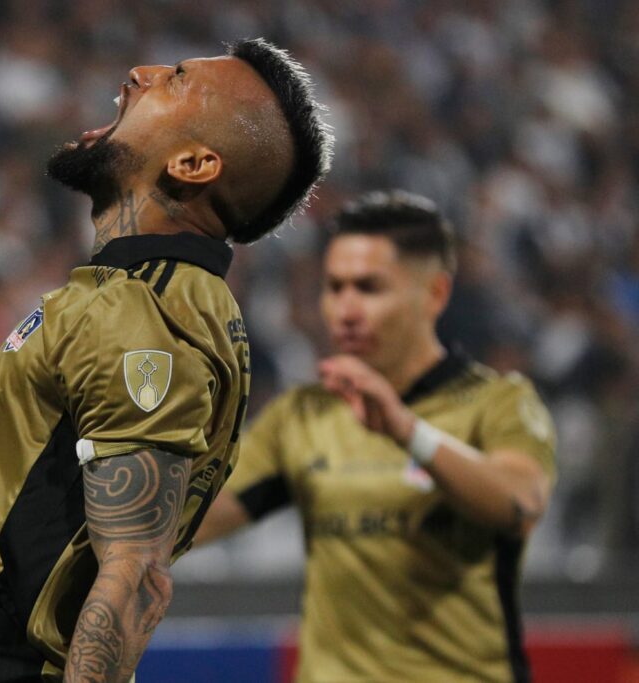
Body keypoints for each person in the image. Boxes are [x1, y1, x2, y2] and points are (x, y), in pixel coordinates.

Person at [0, 38, 332, 682]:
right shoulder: (134, 296)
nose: (140, 74)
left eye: (176, 80)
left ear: (191, 163)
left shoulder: (148, 315)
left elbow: (136, 577)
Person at [196, 190, 557, 683]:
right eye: (334, 287)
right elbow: (188, 523)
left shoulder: (497, 404)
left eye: (368, 288)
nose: (344, 310)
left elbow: (520, 504)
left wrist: (408, 432)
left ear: (434, 294)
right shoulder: (302, 417)